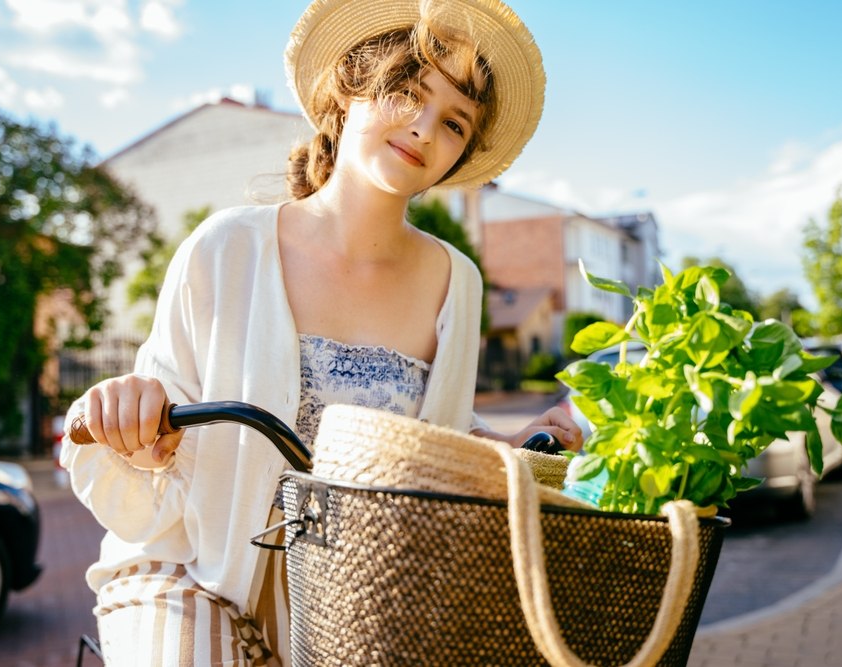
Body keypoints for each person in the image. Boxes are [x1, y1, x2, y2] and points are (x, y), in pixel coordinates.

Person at [61, 0, 582, 664]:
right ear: (348, 88)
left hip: (348, 595)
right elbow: (159, 422)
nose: (424, 127)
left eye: (454, 122)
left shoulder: (459, 279)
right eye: (406, 92)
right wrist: (130, 419)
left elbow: (424, 440)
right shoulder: (225, 247)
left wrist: (508, 440)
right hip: (191, 567)